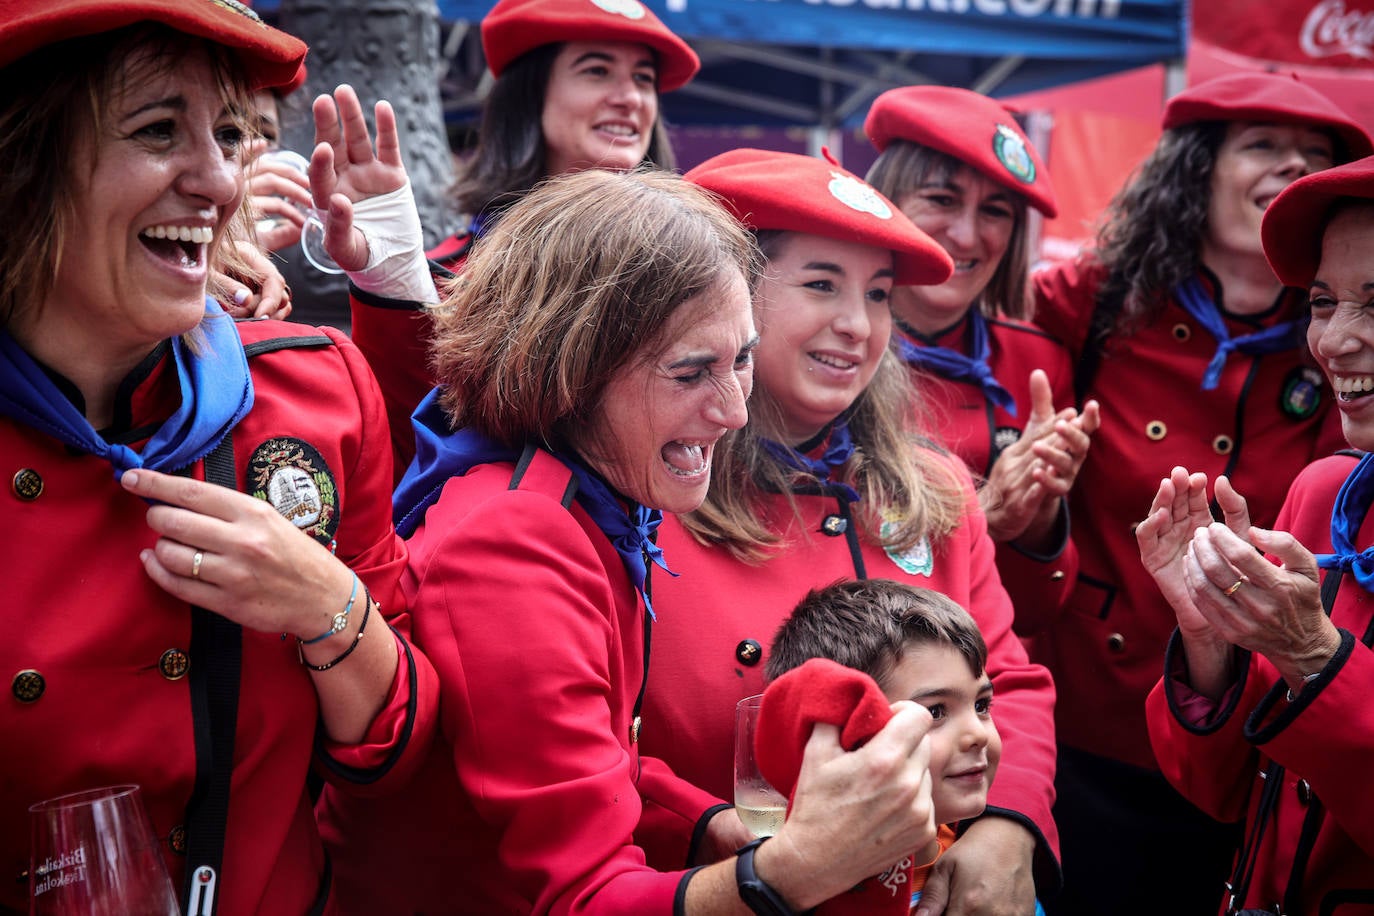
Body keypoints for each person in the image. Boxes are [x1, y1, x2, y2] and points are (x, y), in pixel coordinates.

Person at [316, 167, 943, 914]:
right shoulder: (516, 540)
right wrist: (798, 868)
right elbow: (586, 897)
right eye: (692, 372)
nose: (736, 411)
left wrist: (706, 822)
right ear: (573, 369)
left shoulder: (578, 498)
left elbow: (584, 755)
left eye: (740, 359)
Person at [0, 2, 437, 914]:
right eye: (159, 129)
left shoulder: (313, 396)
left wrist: (328, 608)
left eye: (230, 135)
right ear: (21, 160)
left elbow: (401, 753)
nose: (220, 182)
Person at [640, 149, 1061, 915]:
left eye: (877, 294)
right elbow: (588, 745)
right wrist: (703, 826)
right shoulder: (640, 495)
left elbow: (1013, 681)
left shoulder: (934, 490)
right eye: (821, 284)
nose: (857, 325)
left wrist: (1010, 827)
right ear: (721, 295)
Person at [1028, 71, 1372, 915]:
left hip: (1262, 749)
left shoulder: (1331, 393)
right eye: (1262, 143)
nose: (1290, 165)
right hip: (1109, 718)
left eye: (1314, 154)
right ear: (1194, 171)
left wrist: (1295, 657)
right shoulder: (1096, 301)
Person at [1137, 154, 1374, 915]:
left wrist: (1314, 658)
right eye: (1324, 301)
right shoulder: (1329, 492)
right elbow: (1226, 791)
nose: (1334, 342)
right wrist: (1211, 640)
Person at [345, 0, 701, 472]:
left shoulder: (699, 275)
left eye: (643, 78)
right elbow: (405, 452)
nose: (630, 98)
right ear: (530, 97)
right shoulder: (446, 281)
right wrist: (387, 283)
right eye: (597, 71)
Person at [863, 85, 1099, 615]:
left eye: (995, 211)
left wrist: (1034, 518)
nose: (967, 235)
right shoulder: (827, 348)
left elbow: (1038, 609)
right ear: (887, 202)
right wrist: (981, 516)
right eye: (942, 200)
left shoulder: (1037, 362)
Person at [766, 580, 1004, 906]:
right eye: (935, 711)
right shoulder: (802, 896)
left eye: (981, 705)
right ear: (845, 734)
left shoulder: (997, 869)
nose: (977, 734)